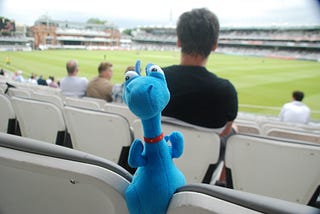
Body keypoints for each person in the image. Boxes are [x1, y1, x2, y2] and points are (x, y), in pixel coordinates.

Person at [162, 8, 238, 184]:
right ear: (214, 45)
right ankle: (222, 184)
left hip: (153, 166)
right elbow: (224, 133)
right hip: (199, 178)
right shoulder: (225, 90)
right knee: (234, 132)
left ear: (179, 42)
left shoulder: (155, 80)